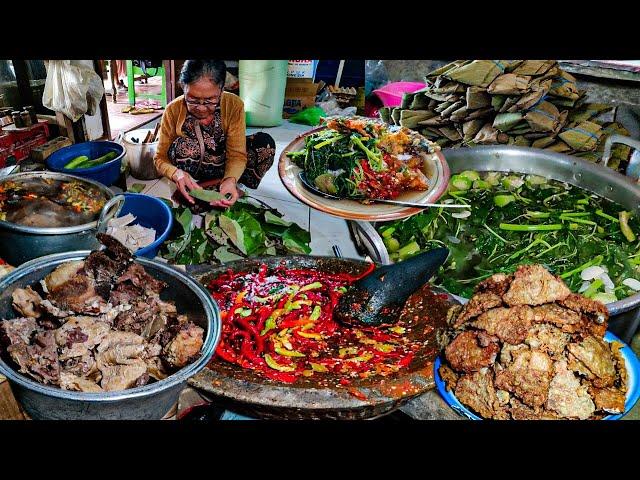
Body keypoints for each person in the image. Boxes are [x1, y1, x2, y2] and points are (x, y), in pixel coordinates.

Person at [154, 60, 276, 208]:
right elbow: (159, 158)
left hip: (223, 165)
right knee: (185, 145)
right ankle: (195, 189)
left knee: (265, 145)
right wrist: (176, 173)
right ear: (183, 87)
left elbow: (237, 154)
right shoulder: (173, 110)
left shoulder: (234, 105)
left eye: (210, 100)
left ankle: (227, 185)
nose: (201, 108)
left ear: (222, 90)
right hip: (192, 172)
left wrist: (230, 179)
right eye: (192, 99)